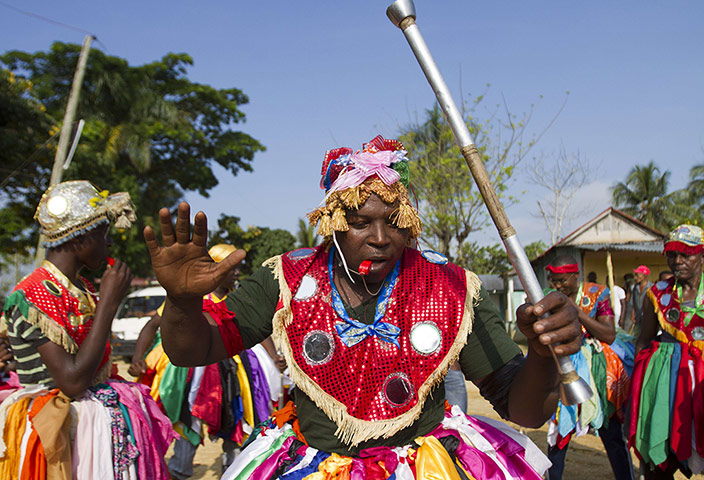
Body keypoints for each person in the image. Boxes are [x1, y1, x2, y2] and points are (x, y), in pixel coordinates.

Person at [144, 135, 582, 478]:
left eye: (394, 222)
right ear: (334, 222)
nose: (379, 237)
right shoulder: (286, 279)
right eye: (359, 223)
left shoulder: (450, 286)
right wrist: (182, 302)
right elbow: (191, 351)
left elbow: (525, 411)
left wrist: (542, 355)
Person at [0, 180, 176, 478]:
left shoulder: (78, 289)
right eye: (102, 235)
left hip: (86, 426)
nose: (109, 244)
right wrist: (108, 305)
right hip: (54, 433)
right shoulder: (32, 294)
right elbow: (71, 383)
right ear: (78, 238)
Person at [128, 244, 286, 478]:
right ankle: (180, 470)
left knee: (237, 419)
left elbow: (258, 330)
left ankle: (231, 468)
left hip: (234, 371)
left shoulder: (237, 298)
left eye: (238, 268)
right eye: (230, 267)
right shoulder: (194, 297)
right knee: (191, 418)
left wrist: (273, 357)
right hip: (195, 373)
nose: (235, 272)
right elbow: (152, 325)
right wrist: (137, 357)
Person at [544, 255, 635, 480]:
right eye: (553, 281)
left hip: (597, 369)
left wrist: (577, 313)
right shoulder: (549, 298)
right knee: (559, 430)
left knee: (610, 430)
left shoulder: (598, 293)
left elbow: (608, 334)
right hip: (563, 365)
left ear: (576, 277)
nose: (557, 286)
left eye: (562, 281)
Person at [629, 224, 704, 479]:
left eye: (686, 254)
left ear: (701, 255)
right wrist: (637, 391)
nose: (678, 261)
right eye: (672, 255)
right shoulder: (657, 294)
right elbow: (643, 341)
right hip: (666, 385)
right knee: (658, 461)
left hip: (702, 383)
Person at [624, 265, 653, 339]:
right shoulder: (635, 288)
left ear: (644, 276)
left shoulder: (652, 288)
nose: (635, 277)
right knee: (636, 338)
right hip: (638, 318)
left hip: (648, 318)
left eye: (637, 275)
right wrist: (633, 314)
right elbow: (634, 302)